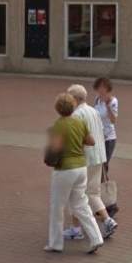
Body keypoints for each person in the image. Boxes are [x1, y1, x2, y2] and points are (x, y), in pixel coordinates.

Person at [44, 93, 104, 254]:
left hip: (65, 169)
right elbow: (91, 141)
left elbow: (55, 149)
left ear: (58, 109)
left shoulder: (59, 125)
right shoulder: (79, 122)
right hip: (81, 168)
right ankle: (96, 237)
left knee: (58, 206)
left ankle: (55, 243)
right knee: (81, 204)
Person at [63, 84, 117, 241]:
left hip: (84, 159)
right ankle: (107, 220)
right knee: (93, 192)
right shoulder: (93, 111)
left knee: (76, 193)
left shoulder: (76, 115)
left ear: (74, 99)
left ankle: (76, 229)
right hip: (98, 156)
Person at [93, 77, 119, 216]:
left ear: (107, 88)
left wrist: (108, 105)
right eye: (98, 88)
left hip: (108, 139)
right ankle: (103, 202)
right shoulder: (97, 100)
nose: (99, 91)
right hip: (98, 138)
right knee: (99, 170)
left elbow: (114, 120)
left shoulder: (113, 101)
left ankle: (111, 204)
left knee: (103, 168)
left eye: (101, 88)